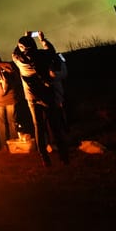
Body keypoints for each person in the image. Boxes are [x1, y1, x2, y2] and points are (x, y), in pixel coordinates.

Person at [11, 33, 70, 167]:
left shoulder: (18, 59)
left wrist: (23, 37)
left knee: (38, 126)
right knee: (55, 126)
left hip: (31, 98)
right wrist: (42, 39)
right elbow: (52, 51)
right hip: (47, 95)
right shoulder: (43, 56)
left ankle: (44, 156)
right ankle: (63, 156)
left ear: (21, 47)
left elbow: (15, 50)